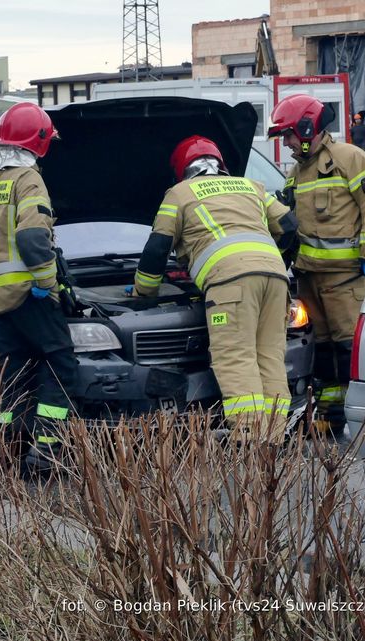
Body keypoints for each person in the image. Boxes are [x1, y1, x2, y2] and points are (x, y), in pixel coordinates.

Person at [130, 136, 299, 441]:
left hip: (230, 284)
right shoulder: (250, 186)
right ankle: (274, 437)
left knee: (236, 356)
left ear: (182, 170)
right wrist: (278, 263)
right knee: (270, 355)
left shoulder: (180, 193)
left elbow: (157, 249)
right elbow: (289, 226)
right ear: (220, 163)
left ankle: (249, 437)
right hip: (275, 279)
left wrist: (142, 295)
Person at [0, 102, 77, 468]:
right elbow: (32, 240)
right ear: (38, 143)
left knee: (9, 376)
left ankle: (5, 453)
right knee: (60, 366)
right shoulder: (28, 179)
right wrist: (49, 285)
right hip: (30, 294)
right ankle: (48, 449)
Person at [267, 95, 365, 433]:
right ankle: (331, 415)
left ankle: (362, 419)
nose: (287, 143)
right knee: (320, 349)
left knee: (348, 347)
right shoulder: (297, 173)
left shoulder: (349, 158)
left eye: (289, 134)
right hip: (308, 278)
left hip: (346, 279)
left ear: (307, 128)